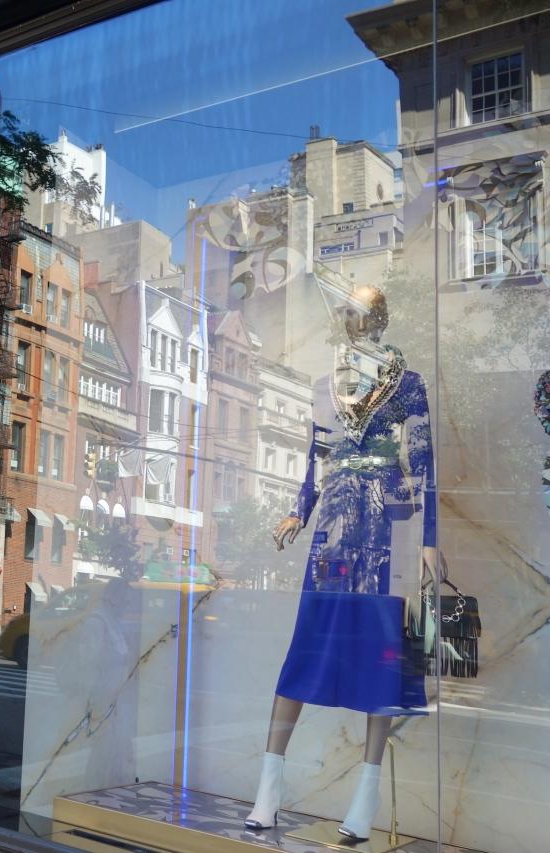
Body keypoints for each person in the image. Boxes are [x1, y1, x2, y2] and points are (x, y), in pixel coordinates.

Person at [244, 286, 436, 841]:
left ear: (378, 317)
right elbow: (316, 458)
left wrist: (429, 538)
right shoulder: (325, 387)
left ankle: (365, 796)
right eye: (345, 310)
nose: (350, 318)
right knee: (306, 648)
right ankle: (269, 788)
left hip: (385, 531)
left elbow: (423, 461)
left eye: (359, 310)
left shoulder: (408, 384)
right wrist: (297, 511)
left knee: (383, 655)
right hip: (333, 531)